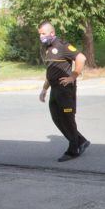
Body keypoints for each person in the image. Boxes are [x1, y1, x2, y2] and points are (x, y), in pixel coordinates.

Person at [38, 22, 89, 162]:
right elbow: (51, 71)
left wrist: (73, 76)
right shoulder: (48, 48)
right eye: (40, 34)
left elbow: (81, 58)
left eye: (43, 33)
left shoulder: (62, 45)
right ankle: (81, 141)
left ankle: (74, 149)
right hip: (55, 90)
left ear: (52, 33)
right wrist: (44, 89)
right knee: (57, 118)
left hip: (65, 90)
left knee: (67, 118)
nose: (41, 36)